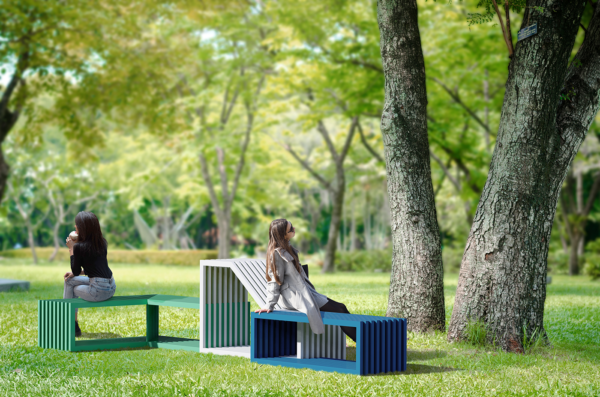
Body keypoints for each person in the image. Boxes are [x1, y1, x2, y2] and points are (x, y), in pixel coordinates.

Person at [254, 218, 356, 343]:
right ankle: (364, 344)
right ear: (283, 235)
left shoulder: (288, 247)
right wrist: (269, 304)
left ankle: (363, 342)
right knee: (339, 310)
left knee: (341, 307)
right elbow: (274, 281)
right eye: (291, 229)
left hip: (306, 293)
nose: (294, 229)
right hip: (295, 297)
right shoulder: (276, 254)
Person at [63, 211, 116, 337]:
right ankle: (72, 324)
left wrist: (71, 248)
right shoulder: (102, 242)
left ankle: (71, 324)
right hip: (111, 286)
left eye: (77, 225)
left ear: (82, 228)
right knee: (70, 280)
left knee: (72, 287)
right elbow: (96, 268)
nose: (75, 227)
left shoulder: (79, 247)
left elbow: (75, 271)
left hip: (98, 290)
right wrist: (78, 272)